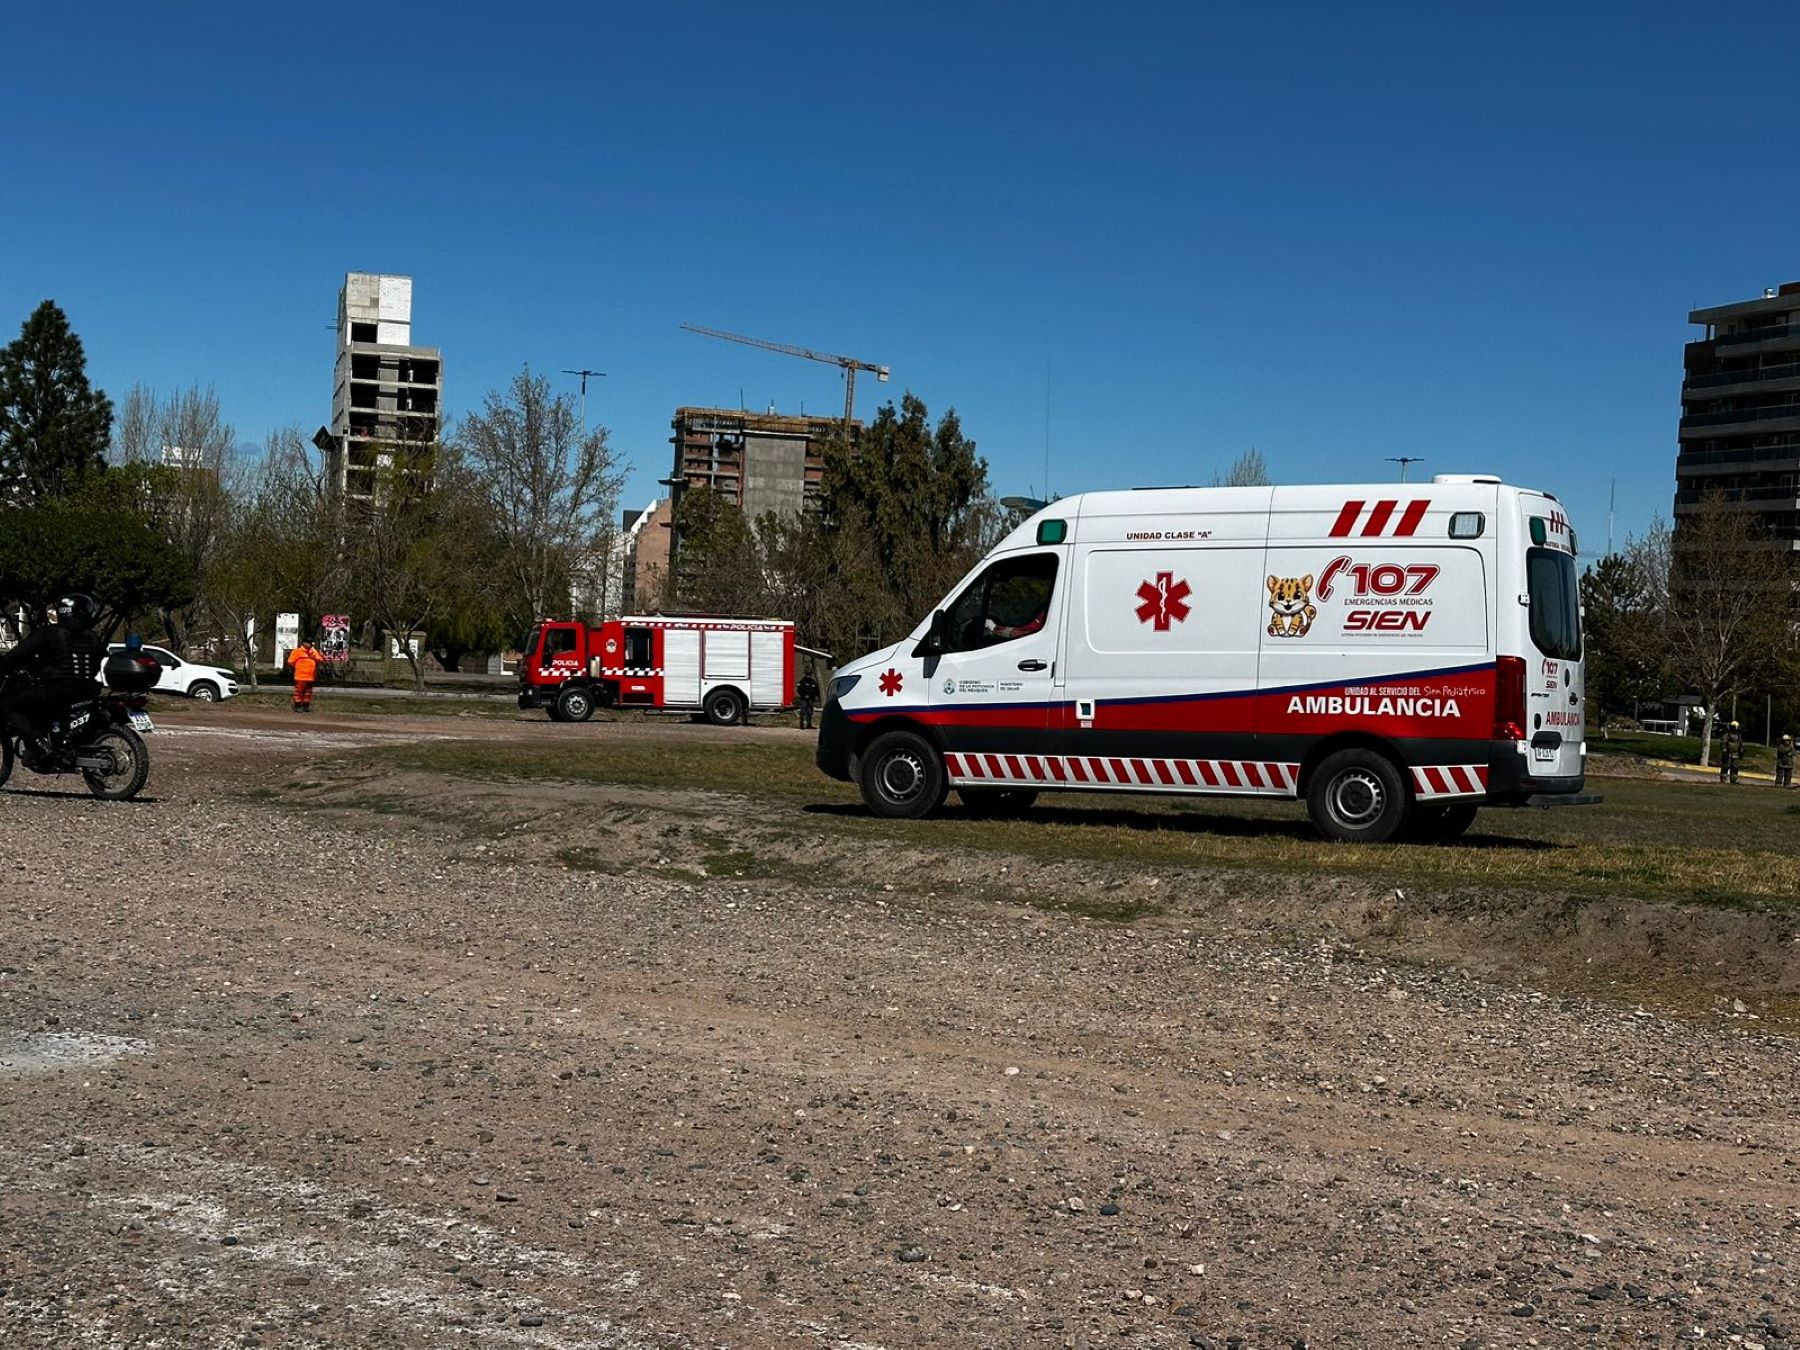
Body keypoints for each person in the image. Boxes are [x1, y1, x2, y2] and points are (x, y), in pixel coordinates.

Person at [0, 594, 108, 754]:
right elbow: (96, 663)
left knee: (4, 705)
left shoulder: (51, 633)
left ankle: (38, 742)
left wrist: (5, 663)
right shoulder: (92, 636)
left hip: (56, 690)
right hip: (87, 691)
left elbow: (19, 653)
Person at [286, 636, 326, 714]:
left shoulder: (313, 652)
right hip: (300, 676)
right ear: (303, 643)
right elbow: (291, 661)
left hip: (310, 676)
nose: (310, 644)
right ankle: (297, 706)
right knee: (299, 692)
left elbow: (320, 659)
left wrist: (314, 654)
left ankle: (306, 706)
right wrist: (300, 667)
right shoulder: (297, 651)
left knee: (308, 692)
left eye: (311, 643)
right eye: (308, 643)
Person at [1720, 720, 1745, 785]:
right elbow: (1723, 743)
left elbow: (1740, 744)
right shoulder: (1727, 735)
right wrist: (1724, 751)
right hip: (1728, 754)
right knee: (1726, 766)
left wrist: (1741, 751)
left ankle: (1734, 780)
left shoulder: (1739, 736)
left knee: (1735, 767)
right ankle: (1723, 779)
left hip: (1736, 755)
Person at [796, 666, 821, 731]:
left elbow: (816, 690)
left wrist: (816, 696)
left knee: (810, 712)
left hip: (811, 699)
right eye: (807, 675)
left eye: (809, 675)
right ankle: (801, 725)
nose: (808, 676)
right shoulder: (802, 681)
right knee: (803, 712)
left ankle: (809, 724)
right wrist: (804, 695)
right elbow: (799, 690)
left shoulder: (813, 682)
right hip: (804, 699)